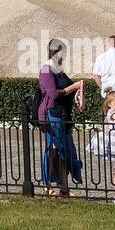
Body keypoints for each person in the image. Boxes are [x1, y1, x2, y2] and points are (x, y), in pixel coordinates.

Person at [37, 37, 85, 196]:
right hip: (53, 114)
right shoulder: (46, 69)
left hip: (63, 113)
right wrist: (74, 87)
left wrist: (77, 93)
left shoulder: (58, 69)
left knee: (64, 150)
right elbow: (53, 94)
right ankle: (47, 185)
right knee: (53, 149)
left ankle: (64, 187)